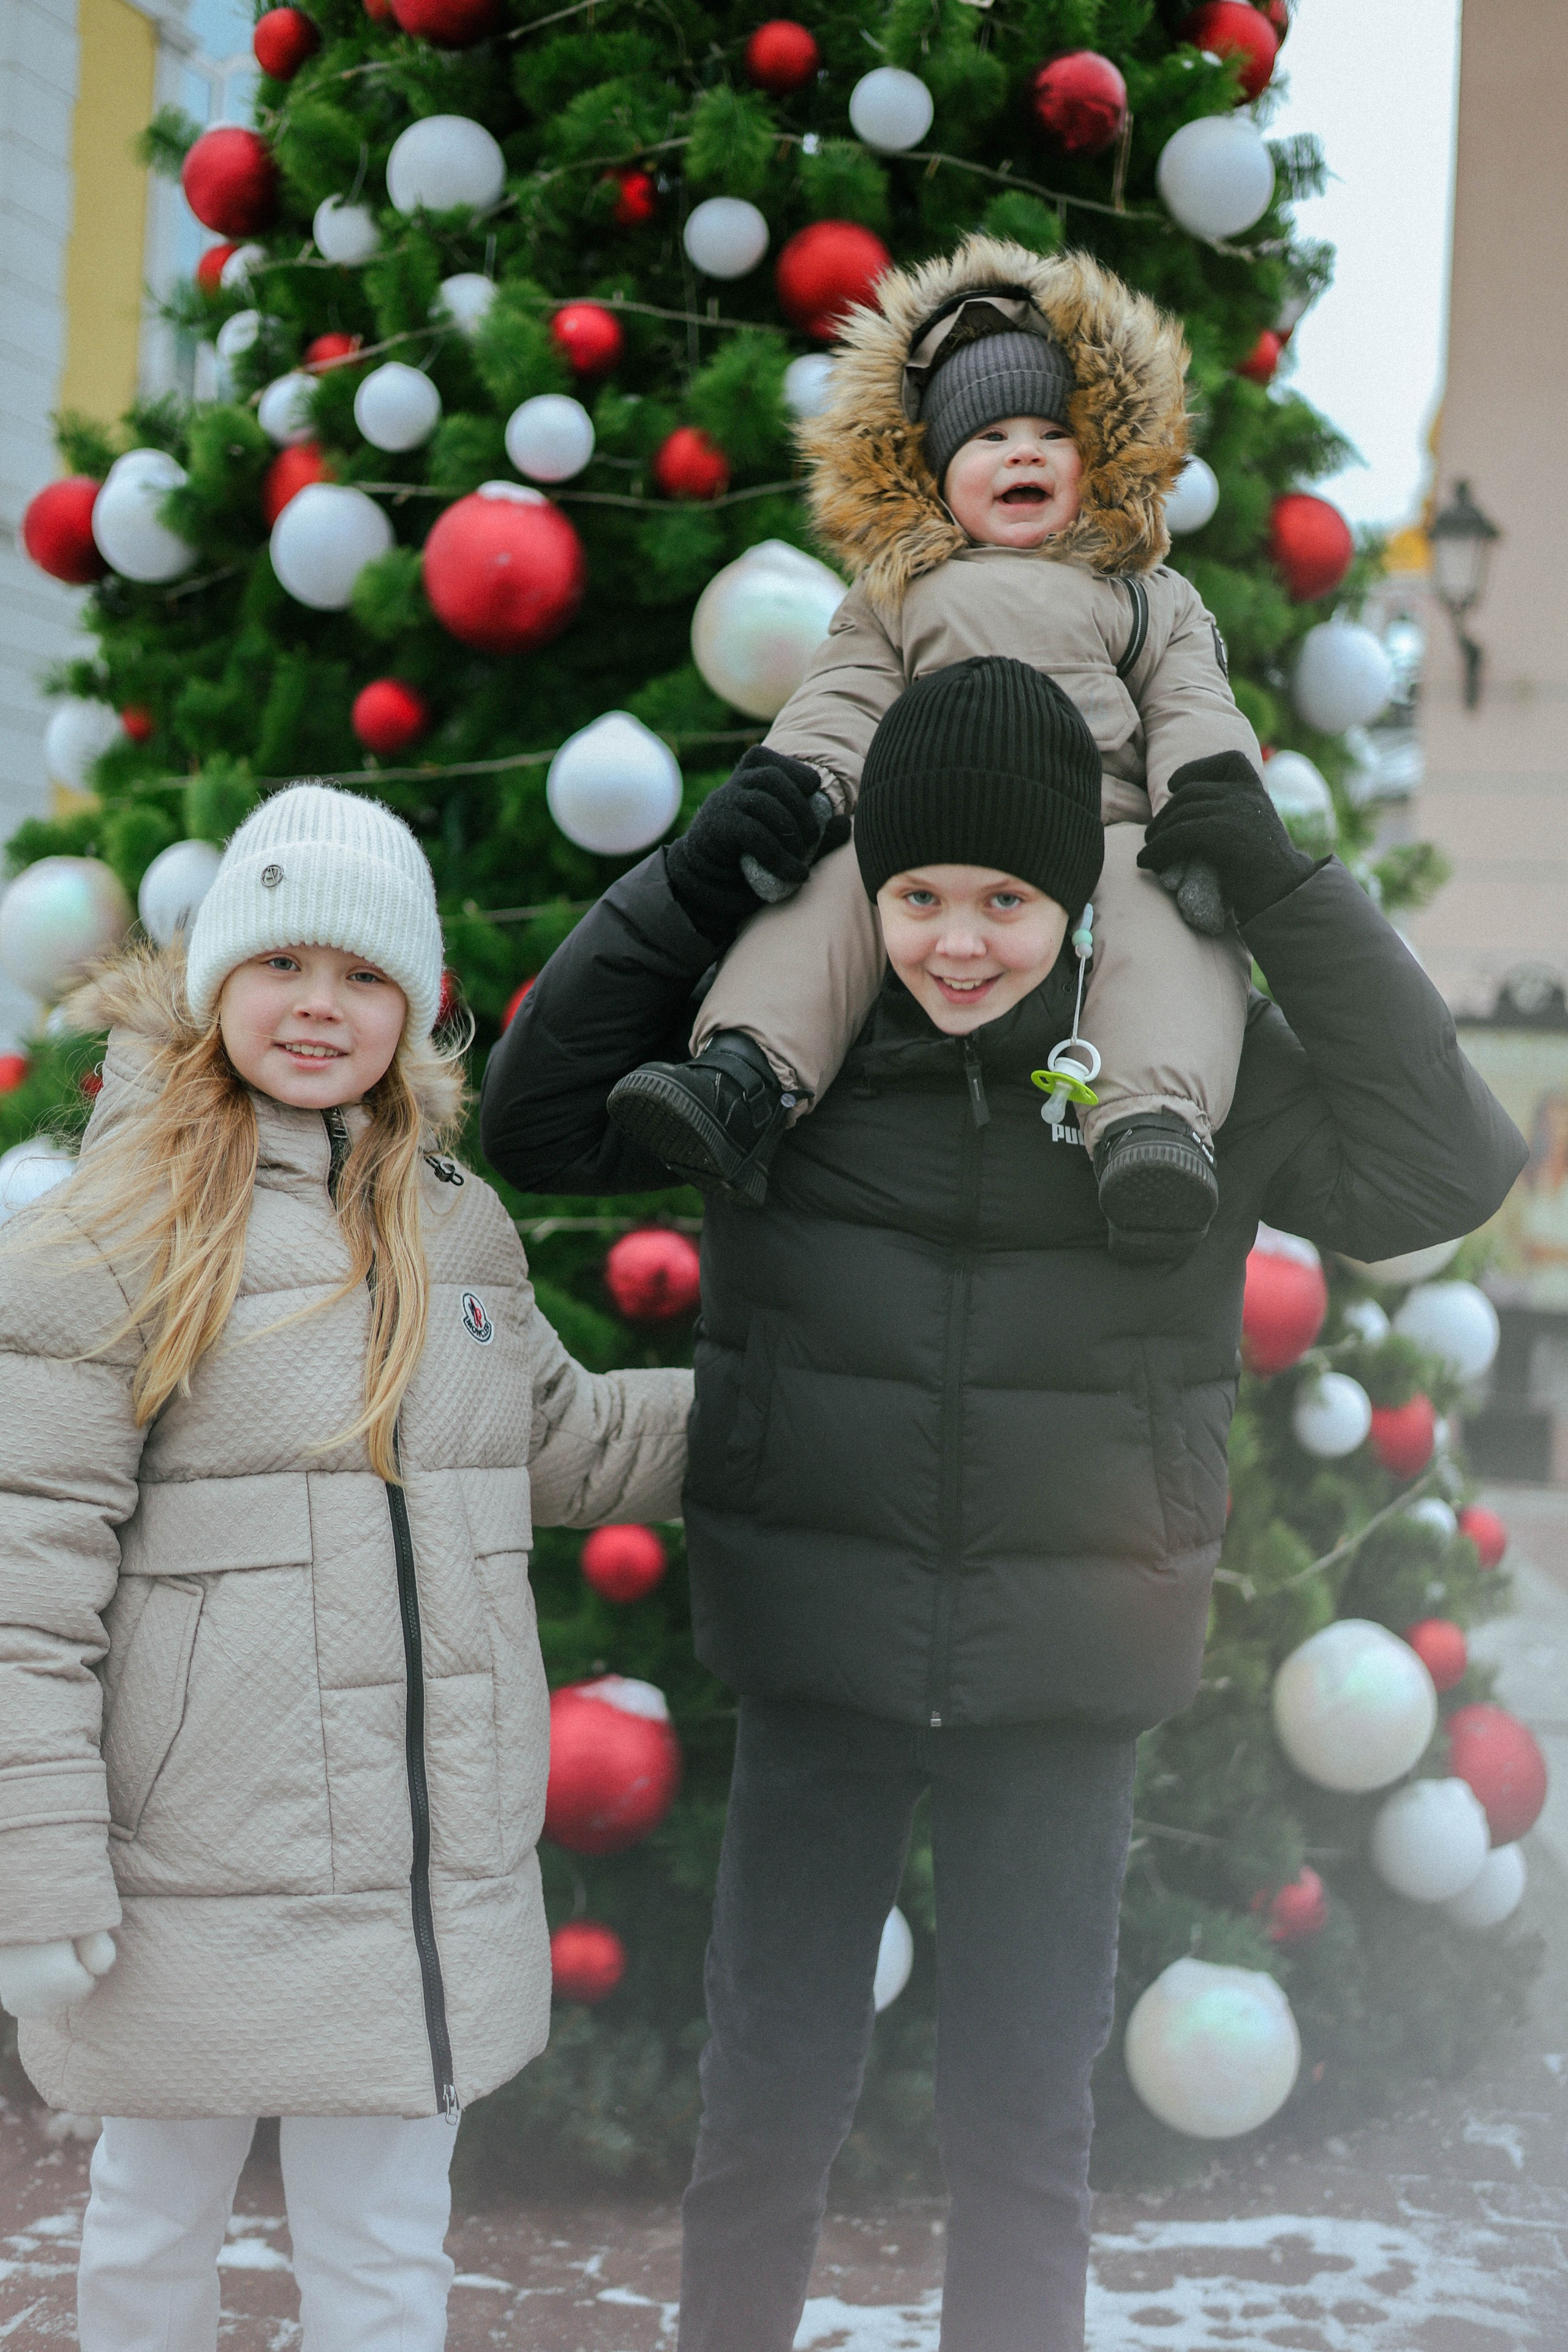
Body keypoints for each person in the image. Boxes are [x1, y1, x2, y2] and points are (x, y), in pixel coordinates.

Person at [481, 657, 1526, 2352]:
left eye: (1008, 900)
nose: (958, 941)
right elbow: (530, 1110)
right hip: (819, 1667)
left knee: (1025, 2138)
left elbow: (1448, 1165)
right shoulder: (777, 1080)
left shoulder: (1178, 1098)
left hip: (1065, 1687)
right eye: (915, 896)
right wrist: (689, 879)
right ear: (868, 894)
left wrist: (1281, 888)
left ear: (1079, 901)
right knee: (763, 2121)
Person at [0, 784, 691, 2352]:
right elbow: (20, 1593)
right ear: (214, 981)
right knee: (154, 2217)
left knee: (384, 2249)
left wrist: (791, 1417)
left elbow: (564, 1444)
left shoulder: (456, 1232)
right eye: (282, 965)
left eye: (365, 975)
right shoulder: (103, 1238)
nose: (320, 1007)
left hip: (413, 1877)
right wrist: (31, 1863)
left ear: (415, 1003)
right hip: (181, 1866)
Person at [606, 232, 1267, 1261]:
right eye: (991, 435)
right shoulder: (900, 594)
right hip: (922, 831)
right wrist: (801, 790)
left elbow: (1193, 707)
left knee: (1168, 927)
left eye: (1053, 432)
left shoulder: (1144, 597)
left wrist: (1209, 805)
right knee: (834, 889)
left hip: (1099, 838)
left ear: (1099, 460)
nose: (1024, 453)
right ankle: (744, 1075)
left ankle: (1150, 1125)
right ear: (933, 472)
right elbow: (843, 703)